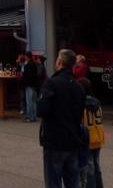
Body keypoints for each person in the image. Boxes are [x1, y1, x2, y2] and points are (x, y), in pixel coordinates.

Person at [37, 49, 86, 188]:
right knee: (73, 182)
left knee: (53, 182)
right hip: (73, 140)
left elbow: (41, 110)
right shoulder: (78, 86)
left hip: (54, 141)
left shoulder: (51, 83)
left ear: (60, 62)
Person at [77, 77, 105, 188]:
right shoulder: (97, 102)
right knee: (97, 166)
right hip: (98, 136)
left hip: (87, 138)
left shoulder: (81, 104)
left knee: (89, 168)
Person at [22, 51, 39, 122]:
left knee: (29, 101)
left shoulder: (28, 65)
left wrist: (24, 67)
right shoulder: (34, 64)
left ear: (27, 57)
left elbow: (26, 74)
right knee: (33, 101)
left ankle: (29, 117)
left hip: (29, 84)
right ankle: (34, 116)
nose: (25, 57)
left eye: (25, 56)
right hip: (34, 84)